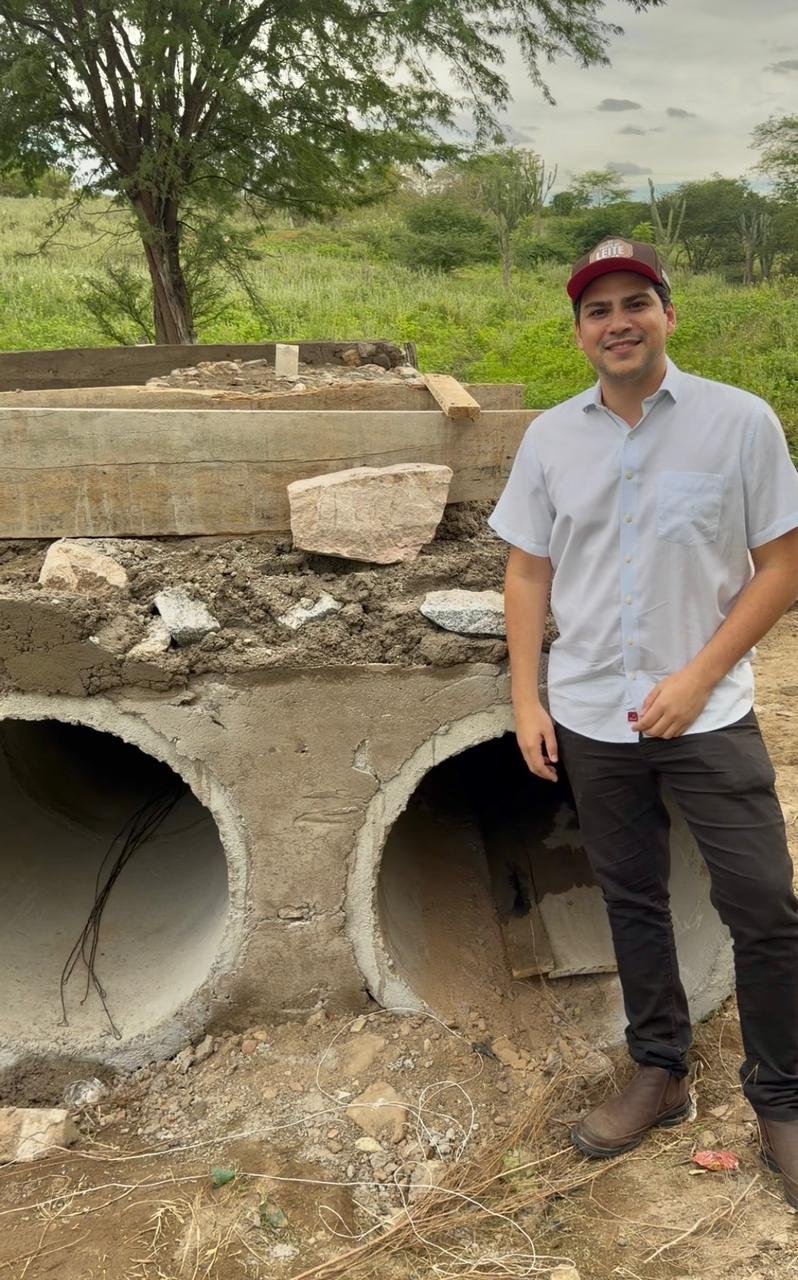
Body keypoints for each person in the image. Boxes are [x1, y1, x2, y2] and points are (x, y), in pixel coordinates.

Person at [488, 236, 798, 1206]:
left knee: (763, 903)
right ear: (579, 331)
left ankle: (782, 1098)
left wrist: (698, 676)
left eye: (636, 302)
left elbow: (782, 565)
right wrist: (527, 699)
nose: (617, 322)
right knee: (631, 897)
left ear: (669, 314)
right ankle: (659, 1070)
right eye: (598, 308)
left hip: (707, 715)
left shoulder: (739, 424)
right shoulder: (551, 439)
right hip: (590, 713)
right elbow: (528, 571)